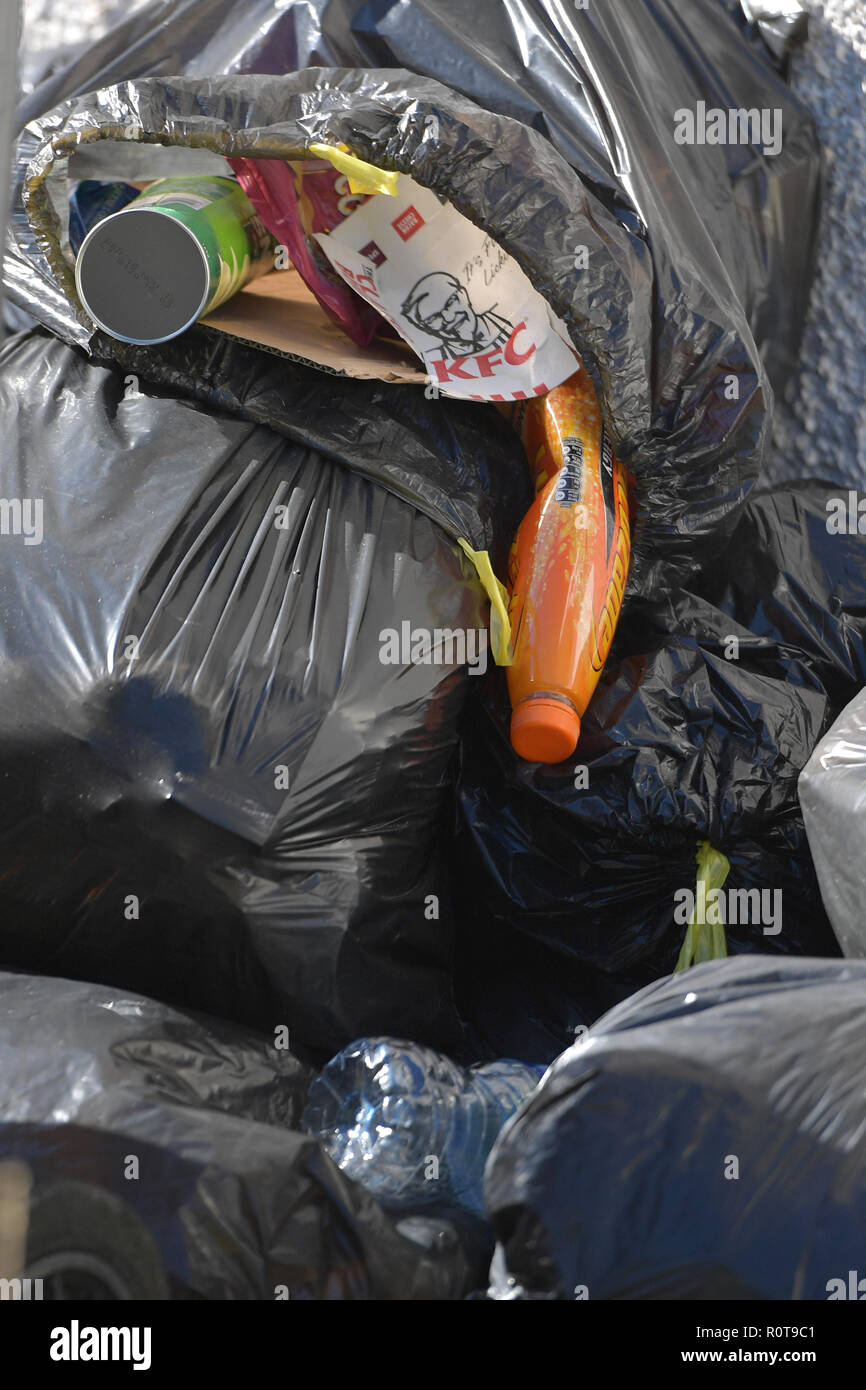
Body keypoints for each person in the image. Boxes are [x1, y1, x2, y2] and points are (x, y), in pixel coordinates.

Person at [400, 271, 513, 359]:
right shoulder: (437, 359)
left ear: (463, 293)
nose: (449, 318)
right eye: (432, 318)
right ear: (425, 329)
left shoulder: (510, 315)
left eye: (450, 302)